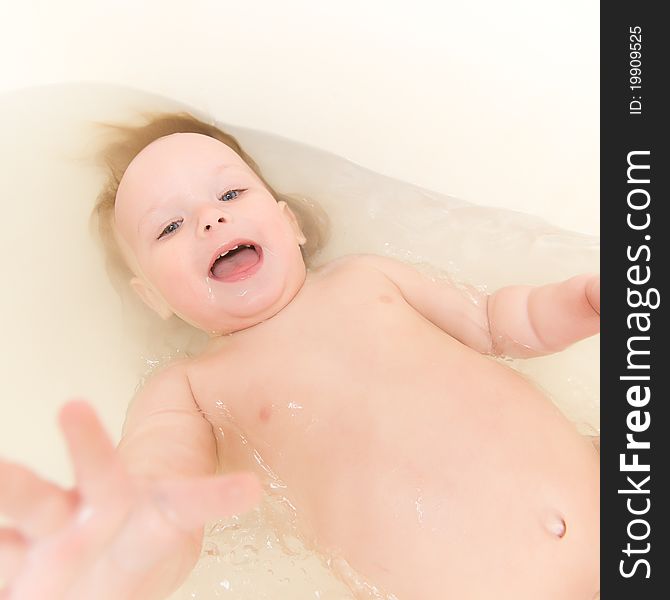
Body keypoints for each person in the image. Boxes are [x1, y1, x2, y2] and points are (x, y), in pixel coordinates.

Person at [0, 113, 600, 600]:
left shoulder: (371, 278)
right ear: (152, 297)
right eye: (169, 227)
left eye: (230, 193)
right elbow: (164, 485)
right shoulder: (191, 389)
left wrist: (578, 304)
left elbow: (497, 322)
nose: (210, 218)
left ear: (290, 223)